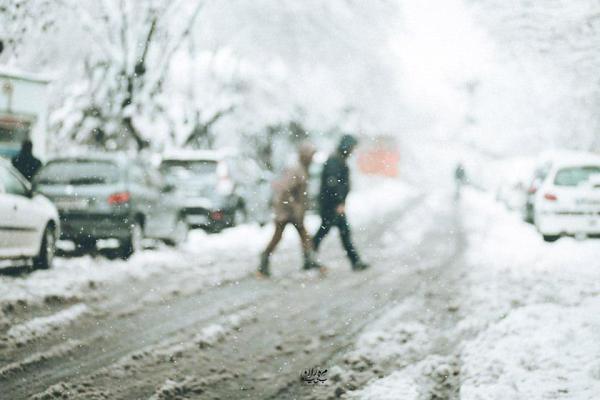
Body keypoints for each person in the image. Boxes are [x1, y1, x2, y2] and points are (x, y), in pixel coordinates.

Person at [258, 142, 322, 277]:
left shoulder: (302, 169)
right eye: (311, 155)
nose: (312, 158)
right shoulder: (296, 170)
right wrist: (293, 207)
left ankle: (308, 261)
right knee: (279, 237)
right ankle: (264, 259)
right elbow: (285, 189)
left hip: (293, 212)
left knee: (304, 236)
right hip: (287, 212)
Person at [313, 134, 369, 271]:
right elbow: (332, 183)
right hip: (331, 205)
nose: (353, 151)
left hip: (334, 205)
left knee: (341, 233)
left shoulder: (338, 160)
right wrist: (338, 202)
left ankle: (355, 261)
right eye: (352, 148)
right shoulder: (334, 161)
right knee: (326, 232)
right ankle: (309, 256)